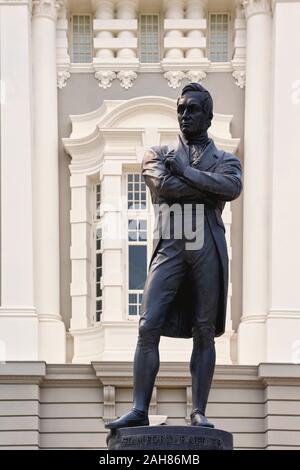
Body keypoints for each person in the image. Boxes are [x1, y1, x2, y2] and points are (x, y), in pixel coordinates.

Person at [105, 83, 243, 430]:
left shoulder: (226, 160)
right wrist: (204, 186)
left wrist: (183, 173)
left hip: (207, 245)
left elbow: (231, 188)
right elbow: (162, 187)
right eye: (180, 109)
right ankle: (138, 408)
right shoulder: (157, 153)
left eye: (192, 109)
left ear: (208, 116)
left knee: (204, 330)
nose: (184, 115)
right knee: (148, 324)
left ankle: (199, 411)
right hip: (171, 244)